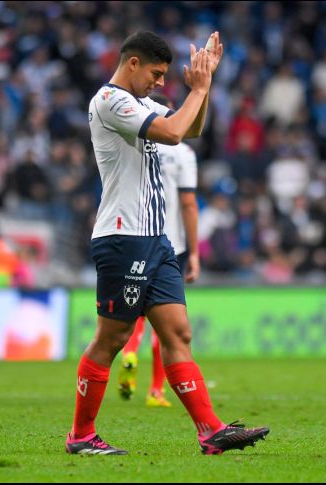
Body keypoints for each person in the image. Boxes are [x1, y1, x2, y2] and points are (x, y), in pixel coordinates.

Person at [66, 30, 269, 456]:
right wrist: (196, 89)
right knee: (113, 337)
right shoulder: (110, 101)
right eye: (156, 74)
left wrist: (206, 85)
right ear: (133, 63)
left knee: (178, 333)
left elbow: (191, 127)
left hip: (156, 240)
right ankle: (81, 435)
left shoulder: (142, 103)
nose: (160, 82)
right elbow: (174, 134)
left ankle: (210, 431)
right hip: (124, 237)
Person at [116, 92, 200, 409]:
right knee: (166, 320)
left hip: (135, 235)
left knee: (134, 309)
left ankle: (128, 352)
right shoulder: (182, 154)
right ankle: (155, 390)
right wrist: (194, 252)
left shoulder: (132, 144)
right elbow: (189, 203)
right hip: (171, 243)